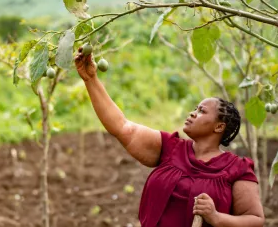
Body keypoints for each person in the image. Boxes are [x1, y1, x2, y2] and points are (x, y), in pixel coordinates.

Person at [74, 47, 265, 227]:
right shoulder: (171, 148)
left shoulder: (237, 169)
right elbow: (123, 127)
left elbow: (255, 220)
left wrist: (216, 218)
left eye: (201, 111)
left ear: (219, 126)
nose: (192, 113)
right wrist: (91, 79)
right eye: (194, 109)